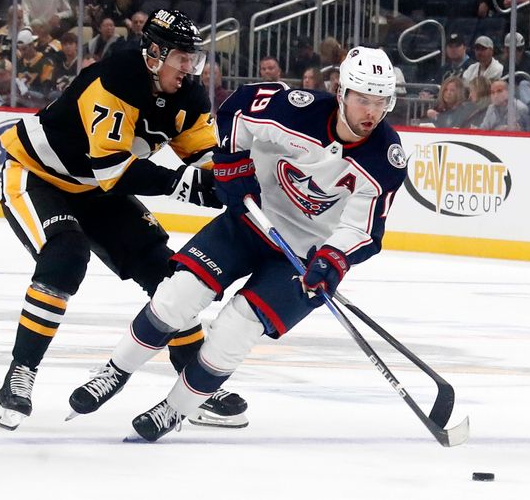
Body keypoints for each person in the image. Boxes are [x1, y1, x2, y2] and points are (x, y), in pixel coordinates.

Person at [68, 46, 408, 442]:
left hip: (302, 255)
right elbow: (239, 108)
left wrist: (332, 260)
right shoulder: (297, 110)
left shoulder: (386, 158)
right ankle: (116, 370)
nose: (372, 111)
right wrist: (233, 167)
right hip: (249, 220)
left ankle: (175, 409)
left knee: (237, 327)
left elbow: (365, 231)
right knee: (179, 293)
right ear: (342, 92)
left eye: (381, 101)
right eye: (363, 99)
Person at [0, 9, 248, 432]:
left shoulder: (188, 97)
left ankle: (195, 385)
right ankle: (22, 372)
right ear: (154, 53)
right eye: (181, 58)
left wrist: (235, 184)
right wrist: (187, 185)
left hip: (96, 190)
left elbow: (206, 161)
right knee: (66, 255)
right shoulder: (115, 80)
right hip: (38, 176)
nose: (190, 68)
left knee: (169, 275)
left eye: (192, 58)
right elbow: (112, 171)